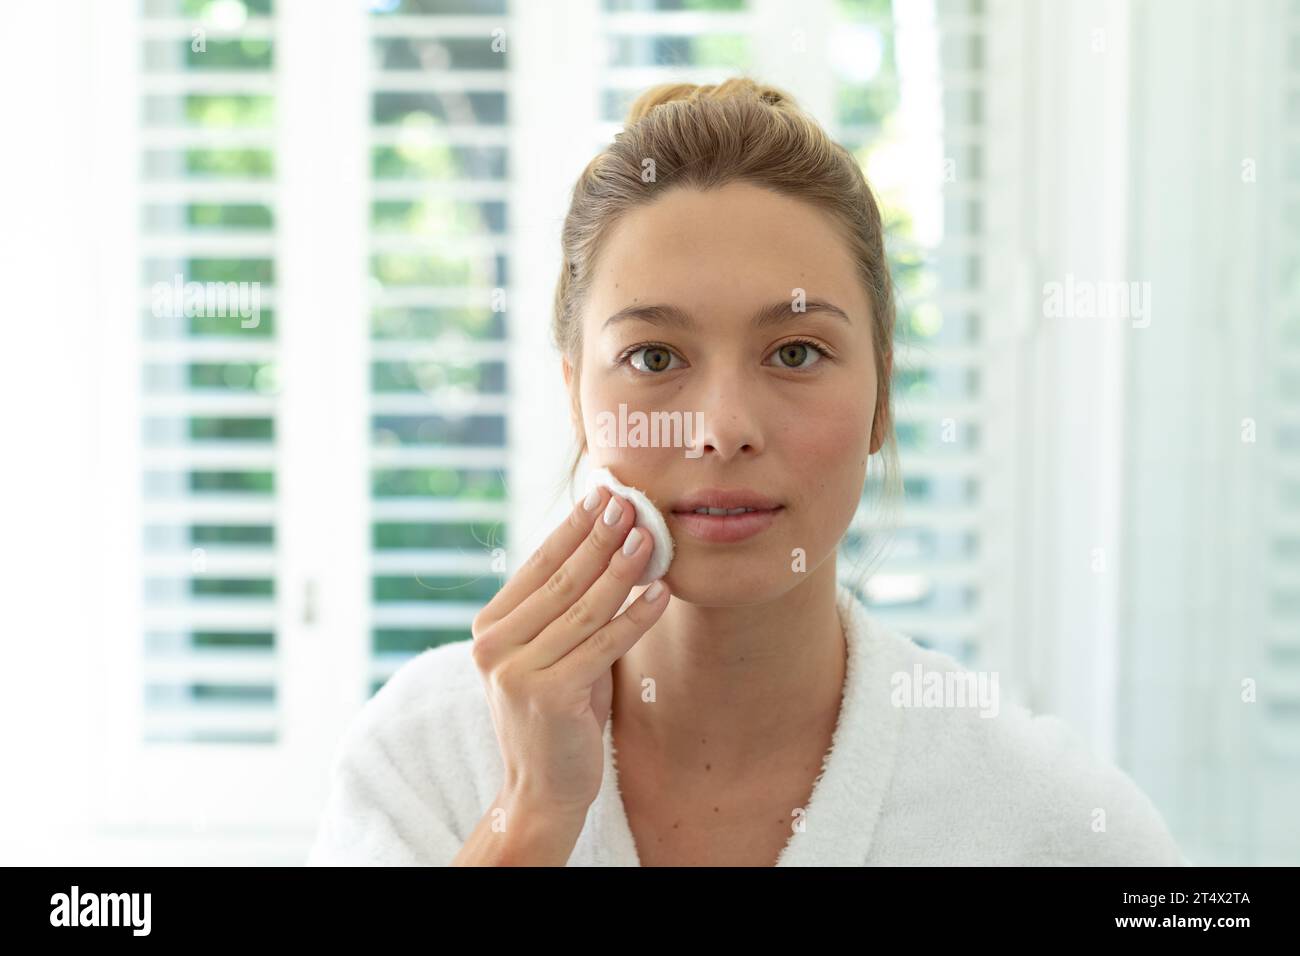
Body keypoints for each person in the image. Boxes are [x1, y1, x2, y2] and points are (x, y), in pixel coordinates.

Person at [306, 77, 1184, 866]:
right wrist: (532, 815)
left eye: (796, 351)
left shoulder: (1052, 823)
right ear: (576, 398)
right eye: (654, 359)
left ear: (882, 396)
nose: (722, 429)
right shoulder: (423, 757)